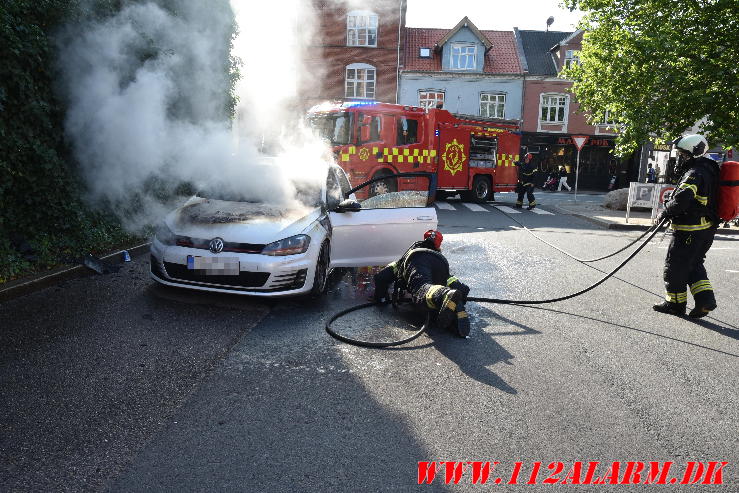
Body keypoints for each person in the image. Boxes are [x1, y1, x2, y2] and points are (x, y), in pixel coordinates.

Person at [653, 134, 720, 319]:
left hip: (690, 230)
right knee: (693, 264)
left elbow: (682, 200)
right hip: (706, 228)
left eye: (682, 154)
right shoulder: (708, 169)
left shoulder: (694, 173)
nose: (679, 158)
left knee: (674, 266)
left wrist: (664, 211)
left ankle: (674, 305)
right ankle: (705, 301)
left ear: (694, 153)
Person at [373, 230, 471, 337]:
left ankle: (443, 294)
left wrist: (381, 298)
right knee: (437, 290)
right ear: (438, 247)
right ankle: (455, 308)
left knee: (422, 288)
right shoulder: (437, 257)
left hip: (416, 260)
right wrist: (461, 294)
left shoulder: (408, 257)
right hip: (441, 264)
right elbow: (458, 286)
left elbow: (380, 277)